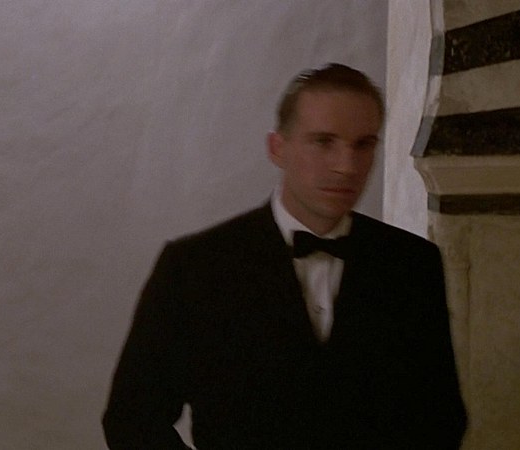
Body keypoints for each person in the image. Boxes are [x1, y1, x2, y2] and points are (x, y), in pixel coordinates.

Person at [102, 63, 467, 449]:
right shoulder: (194, 268)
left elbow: (441, 419)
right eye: (324, 142)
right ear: (278, 148)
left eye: (363, 145)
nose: (347, 166)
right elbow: (133, 419)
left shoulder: (413, 264)